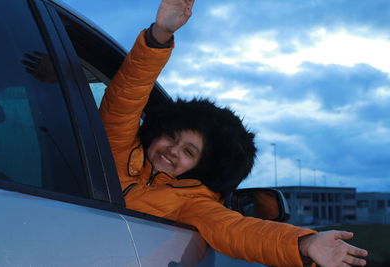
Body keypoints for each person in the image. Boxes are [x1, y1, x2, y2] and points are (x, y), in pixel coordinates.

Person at [100, 0, 368, 266]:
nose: (173, 150)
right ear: (157, 131)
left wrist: (305, 243)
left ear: (201, 166)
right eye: (172, 137)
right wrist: (160, 34)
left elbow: (239, 232)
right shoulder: (119, 147)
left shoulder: (194, 204)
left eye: (189, 152)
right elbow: (126, 97)